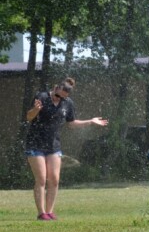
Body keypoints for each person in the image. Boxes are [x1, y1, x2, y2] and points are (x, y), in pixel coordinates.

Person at [25, 77, 108, 221]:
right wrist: (36, 110)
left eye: (63, 98)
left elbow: (72, 123)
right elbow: (29, 117)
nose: (59, 99)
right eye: (58, 96)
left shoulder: (67, 104)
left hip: (53, 146)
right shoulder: (42, 97)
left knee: (55, 180)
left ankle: (50, 212)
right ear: (56, 88)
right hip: (35, 144)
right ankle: (41, 213)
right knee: (41, 179)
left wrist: (91, 121)